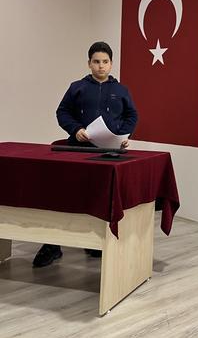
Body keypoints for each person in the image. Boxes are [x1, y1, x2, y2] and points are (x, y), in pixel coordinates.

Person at [32, 41, 138, 268]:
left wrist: (123, 135)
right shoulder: (77, 87)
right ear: (89, 63)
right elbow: (62, 112)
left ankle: (93, 242)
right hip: (77, 150)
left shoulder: (121, 90)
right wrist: (76, 129)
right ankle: (52, 246)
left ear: (111, 63)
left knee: (99, 197)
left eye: (105, 62)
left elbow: (132, 116)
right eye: (96, 61)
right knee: (65, 195)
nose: (101, 66)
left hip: (108, 153)